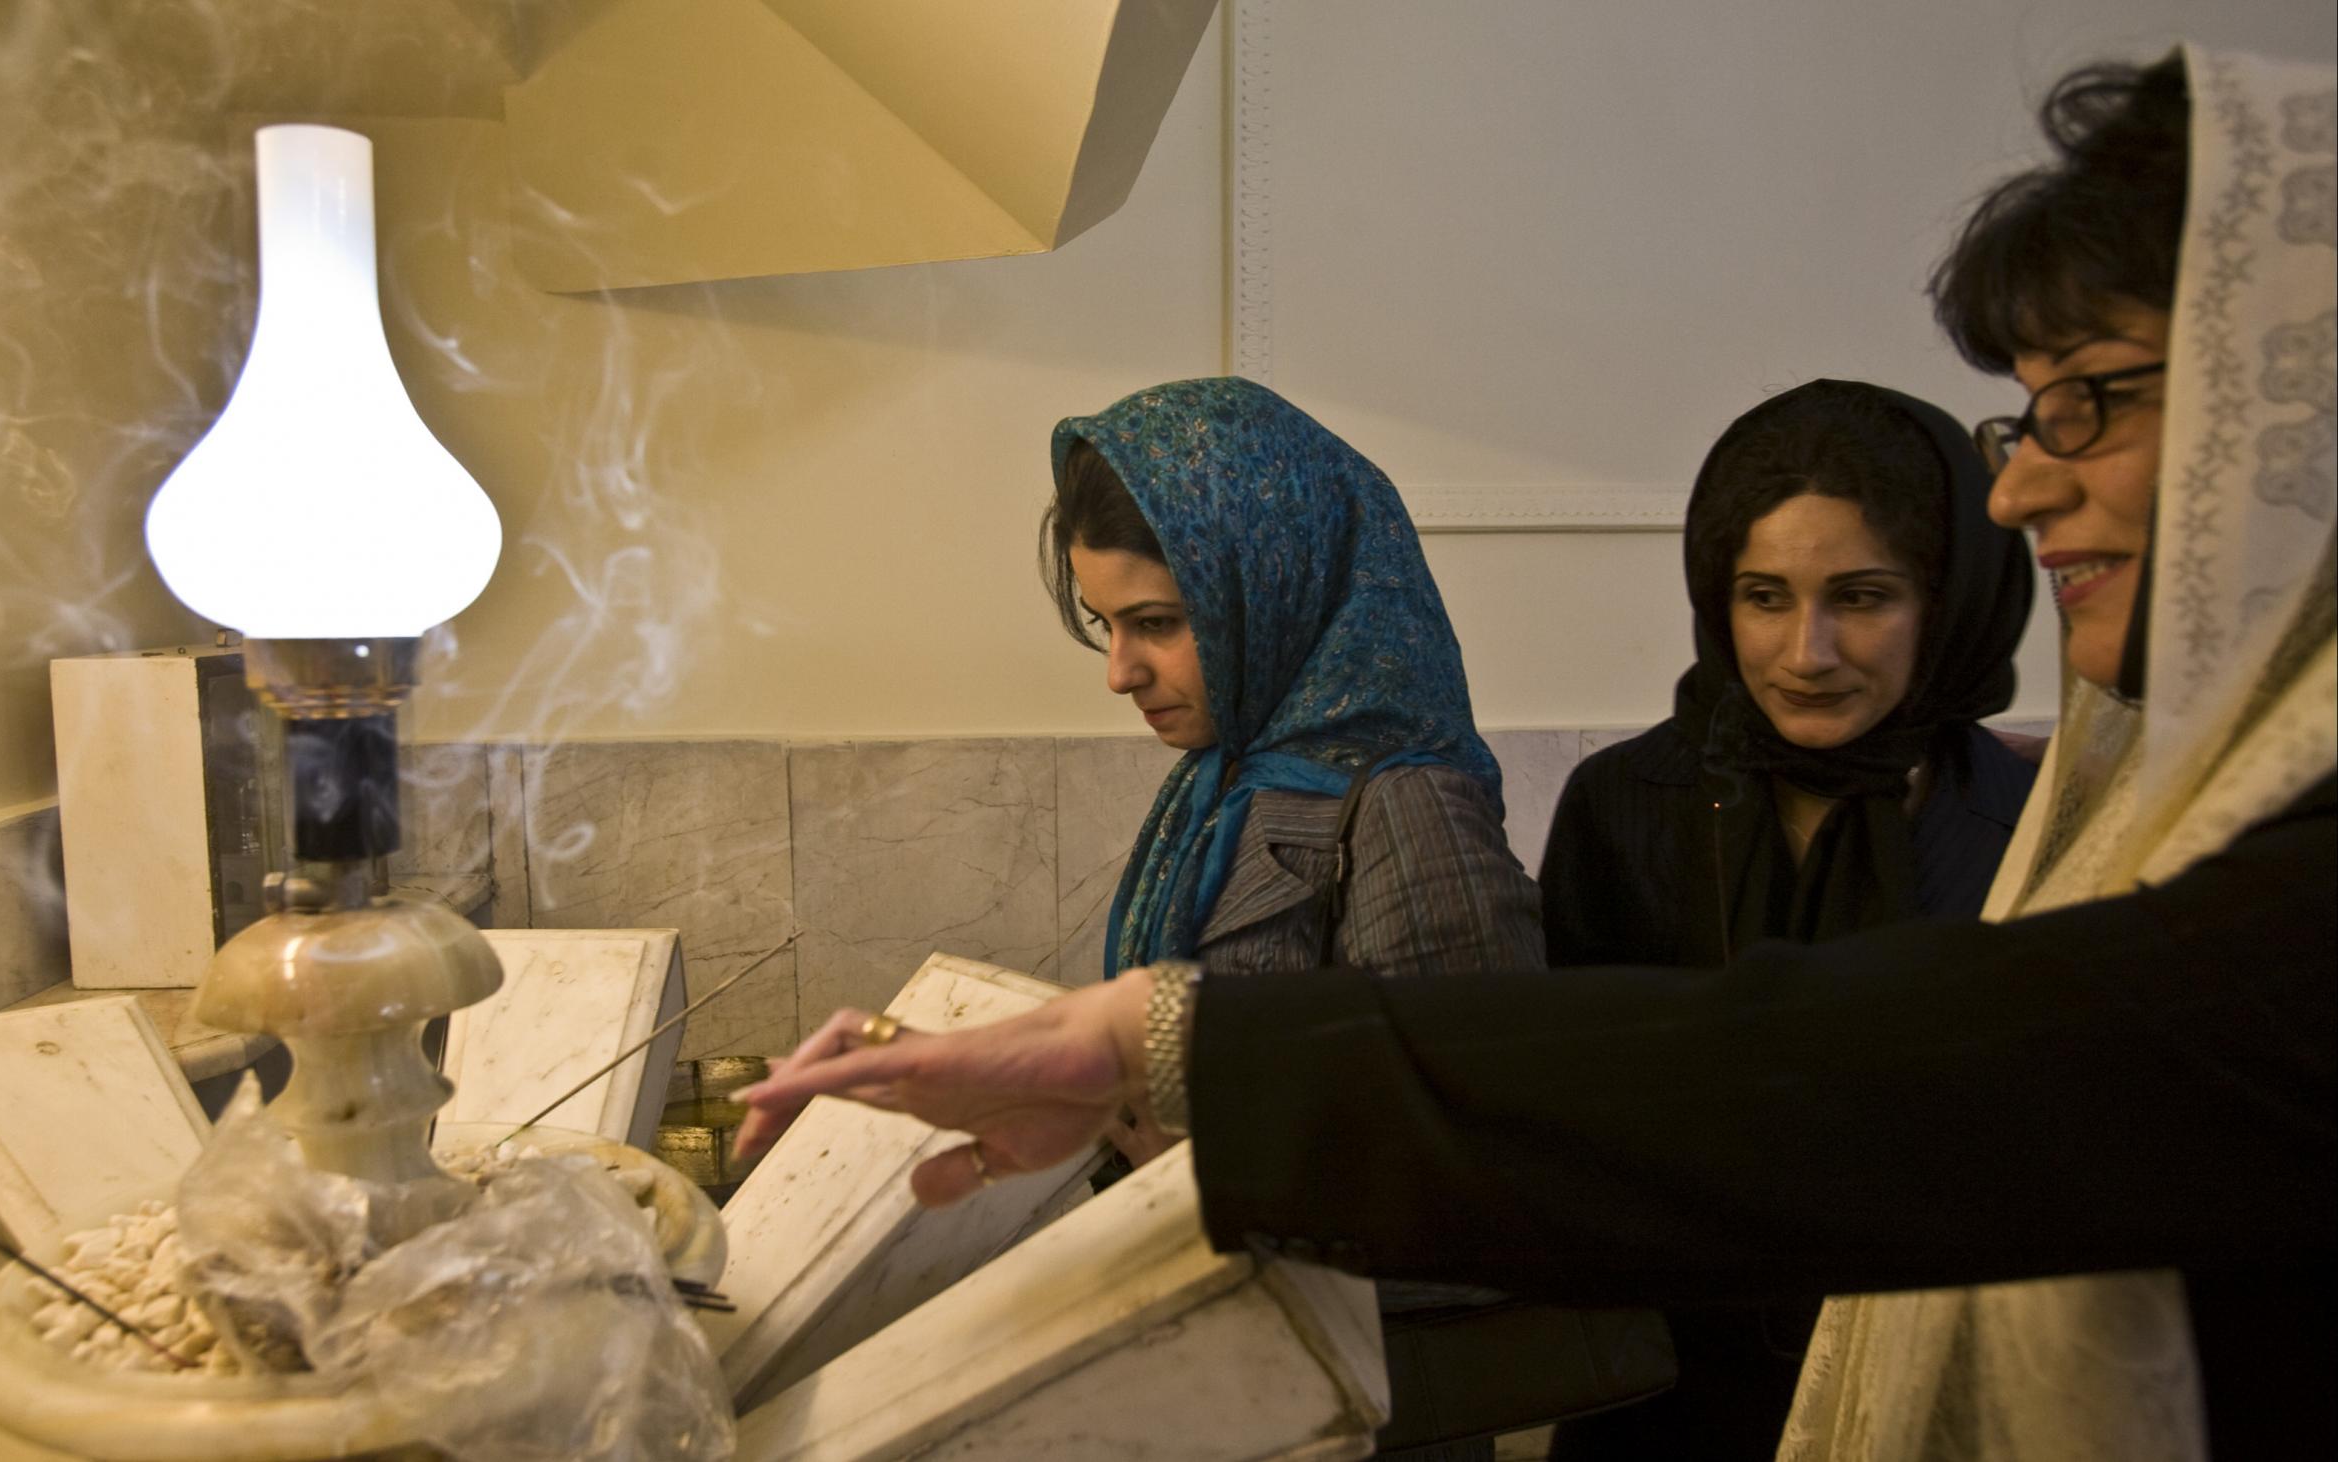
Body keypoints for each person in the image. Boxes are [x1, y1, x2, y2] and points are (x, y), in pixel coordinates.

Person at [732, 46, 2336, 1458]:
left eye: (2096, 403)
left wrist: (1171, 1065)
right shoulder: (2104, 797)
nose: (2022, 491)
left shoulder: (1407, 798)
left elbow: (1822, 1081)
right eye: (2024, 415)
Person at [1043, 377, 1545, 1458]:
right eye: (1106, 626)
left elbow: (1475, 1185)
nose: (1120, 672)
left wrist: (1204, 1161)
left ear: (1268, 588)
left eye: (1158, 625)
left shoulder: (1405, 805)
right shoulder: (1223, 785)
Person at [1540, 379, 2038, 1461]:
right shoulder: (1627, 804)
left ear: (1947, 601)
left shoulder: (2023, 830)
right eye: (1762, 595)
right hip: (1664, 1401)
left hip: (1928, 1401)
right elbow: (1572, 1118)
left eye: (1859, 595)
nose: (1804, 651)